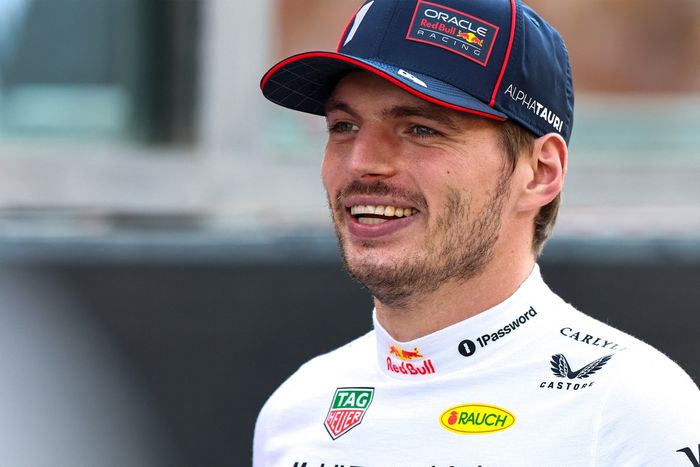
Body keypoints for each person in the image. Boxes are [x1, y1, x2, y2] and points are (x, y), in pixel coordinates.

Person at [254, 0, 700, 465]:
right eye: (344, 126)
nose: (361, 161)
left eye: (421, 129)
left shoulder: (630, 410)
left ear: (540, 172)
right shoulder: (296, 409)